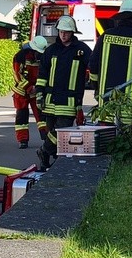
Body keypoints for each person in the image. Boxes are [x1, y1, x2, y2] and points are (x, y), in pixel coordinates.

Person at [35, 15, 91, 171]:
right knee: (52, 133)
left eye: (66, 32)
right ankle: (53, 162)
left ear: (72, 32)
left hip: (69, 100)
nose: (63, 35)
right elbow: (42, 73)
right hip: (50, 99)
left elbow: (94, 65)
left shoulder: (82, 50)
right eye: (61, 31)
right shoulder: (51, 50)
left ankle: (43, 151)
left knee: (61, 132)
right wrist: (39, 93)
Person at [10, 36, 49, 149]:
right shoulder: (20, 56)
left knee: (42, 116)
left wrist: (40, 87)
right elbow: (18, 75)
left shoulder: (42, 57)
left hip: (36, 90)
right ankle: (22, 140)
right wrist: (28, 87)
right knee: (22, 117)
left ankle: (46, 138)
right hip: (21, 91)